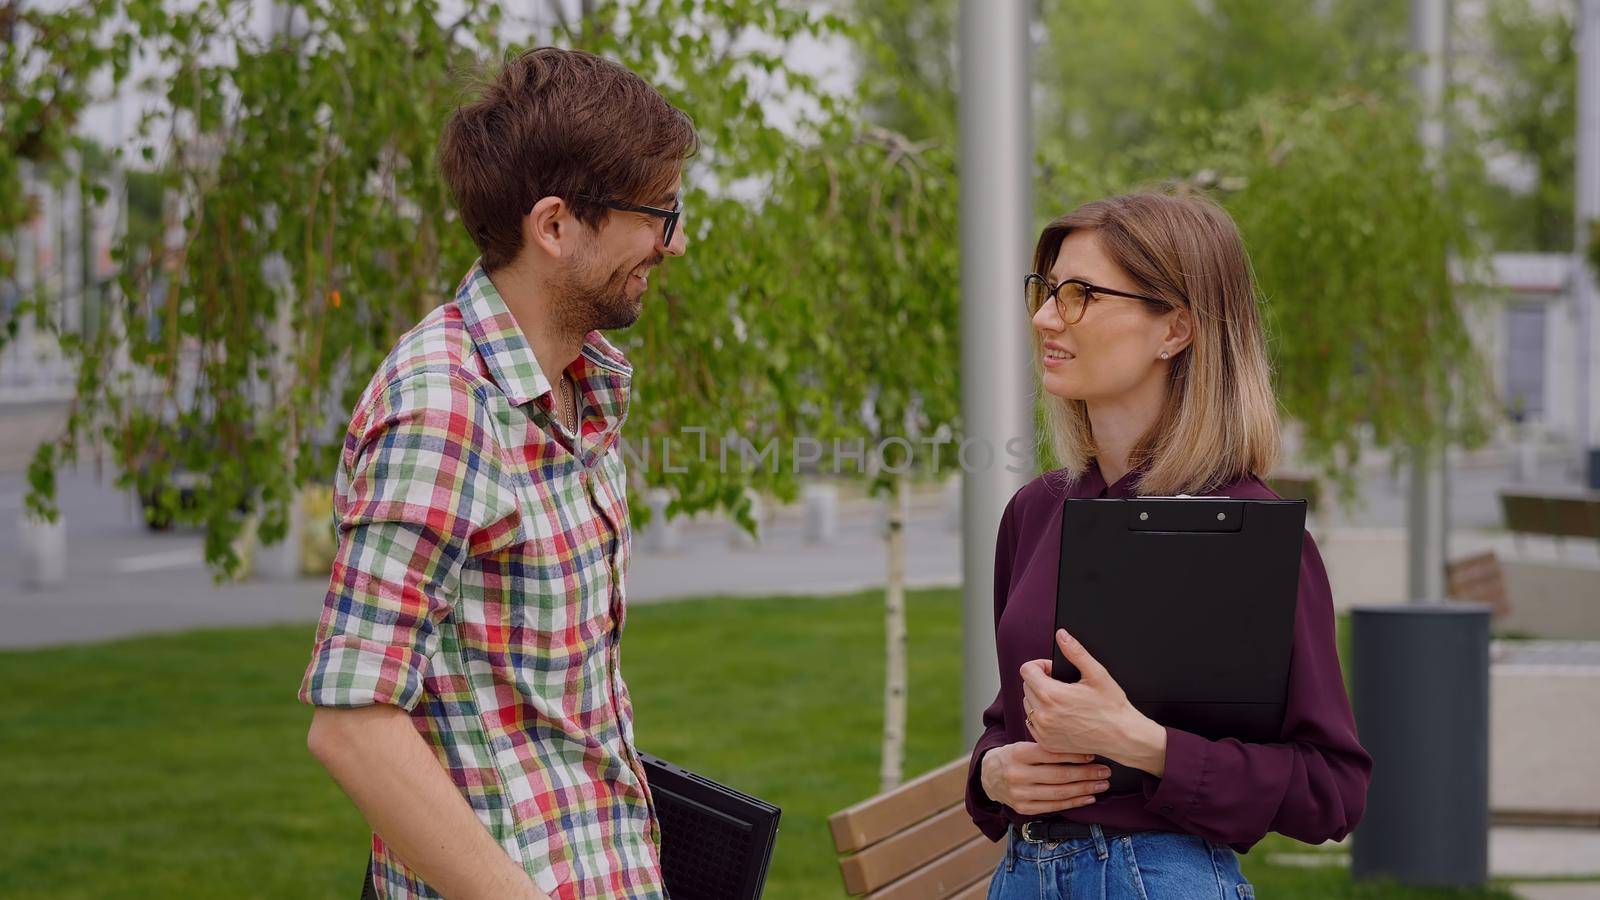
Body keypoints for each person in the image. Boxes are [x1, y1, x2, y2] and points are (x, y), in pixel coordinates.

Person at [297, 46, 694, 900]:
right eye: (659, 212)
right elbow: (354, 726)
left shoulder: (579, 387)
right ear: (554, 227)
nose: (675, 241)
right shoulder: (442, 407)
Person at [964, 192, 1372, 899]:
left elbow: (1330, 789)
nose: (1044, 318)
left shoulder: (1252, 533)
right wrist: (992, 775)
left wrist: (1144, 745)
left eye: (1081, 294)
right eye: (1047, 289)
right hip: (1022, 878)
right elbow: (1006, 724)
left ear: (1176, 328)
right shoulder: (1036, 512)